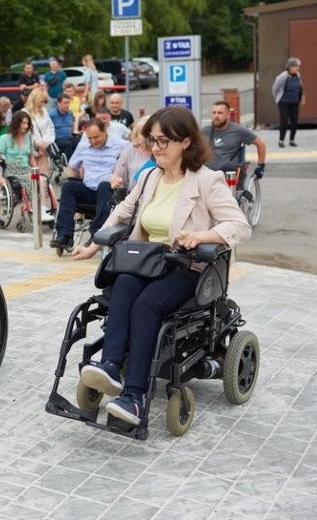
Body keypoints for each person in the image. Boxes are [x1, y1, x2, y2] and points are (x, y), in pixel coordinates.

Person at [72, 106, 251, 426]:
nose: (155, 148)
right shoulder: (151, 176)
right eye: (152, 141)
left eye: (163, 141)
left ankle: (136, 397)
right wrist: (93, 245)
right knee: (123, 285)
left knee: (147, 305)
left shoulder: (208, 181)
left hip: (187, 268)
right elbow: (123, 212)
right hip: (147, 261)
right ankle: (111, 366)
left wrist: (201, 235)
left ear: (185, 142)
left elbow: (239, 225)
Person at [50, 119, 128, 248]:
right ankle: (64, 235)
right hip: (88, 189)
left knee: (104, 185)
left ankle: (96, 233)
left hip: (109, 190)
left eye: (96, 137)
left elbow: (136, 152)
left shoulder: (121, 145)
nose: (93, 141)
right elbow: (72, 166)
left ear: (105, 131)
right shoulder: (83, 146)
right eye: (90, 138)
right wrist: (72, 179)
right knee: (68, 186)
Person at [0, 111, 53, 222]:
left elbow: (30, 157)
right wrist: (0, 177)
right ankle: (37, 209)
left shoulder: (28, 137)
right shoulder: (5, 138)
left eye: (27, 124)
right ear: (16, 123)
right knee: (31, 182)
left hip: (27, 170)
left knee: (42, 179)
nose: (26, 126)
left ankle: (42, 209)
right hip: (12, 172)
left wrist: (36, 170)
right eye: (23, 123)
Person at [202, 101, 267, 179]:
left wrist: (260, 166)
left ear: (228, 115)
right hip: (208, 172)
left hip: (229, 173)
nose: (216, 116)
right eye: (214, 113)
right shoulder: (204, 131)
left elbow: (261, 144)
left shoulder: (238, 130)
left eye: (220, 113)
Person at [110, 115, 152, 196]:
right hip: (132, 196)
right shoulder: (129, 151)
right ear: (137, 135)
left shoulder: (162, 153)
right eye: (142, 133)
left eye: (149, 133)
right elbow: (117, 175)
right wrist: (115, 180)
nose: (146, 137)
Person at [271, 57, 304, 148]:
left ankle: (292, 140)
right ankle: (281, 140)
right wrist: (277, 99)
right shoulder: (283, 76)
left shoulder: (298, 75)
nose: (298, 68)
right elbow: (274, 88)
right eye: (296, 66)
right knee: (284, 120)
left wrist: (300, 97)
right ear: (290, 67)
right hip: (283, 102)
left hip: (294, 101)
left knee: (294, 121)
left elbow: (300, 86)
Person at [22, 87, 56, 177]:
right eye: (41, 101)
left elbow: (50, 127)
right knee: (33, 175)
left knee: (43, 176)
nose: (43, 104)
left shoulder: (44, 111)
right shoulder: (24, 113)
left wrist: (45, 143)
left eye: (44, 101)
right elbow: (25, 132)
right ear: (35, 99)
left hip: (43, 148)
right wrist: (37, 144)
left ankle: (42, 189)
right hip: (30, 149)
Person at [48, 92, 78, 160]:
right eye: (65, 103)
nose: (67, 105)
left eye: (68, 103)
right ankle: (69, 166)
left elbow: (72, 125)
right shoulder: (52, 114)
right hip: (57, 140)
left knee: (79, 141)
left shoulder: (70, 113)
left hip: (68, 137)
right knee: (68, 144)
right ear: (58, 103)